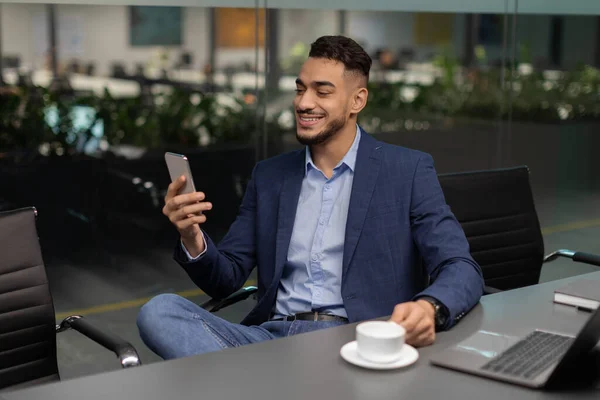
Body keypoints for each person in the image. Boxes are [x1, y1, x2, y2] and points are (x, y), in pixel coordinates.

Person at [137, 35, 484, 360]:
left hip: (359, 340)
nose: (304, 102)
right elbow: (226, 278)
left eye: (322, 91)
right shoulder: (270, 176)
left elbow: (460, 267)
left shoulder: (407, 170)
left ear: (357, 100)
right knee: (159, 311)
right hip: (271, 340)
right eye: (300, 89)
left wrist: (429, 307)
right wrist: (192, 237)